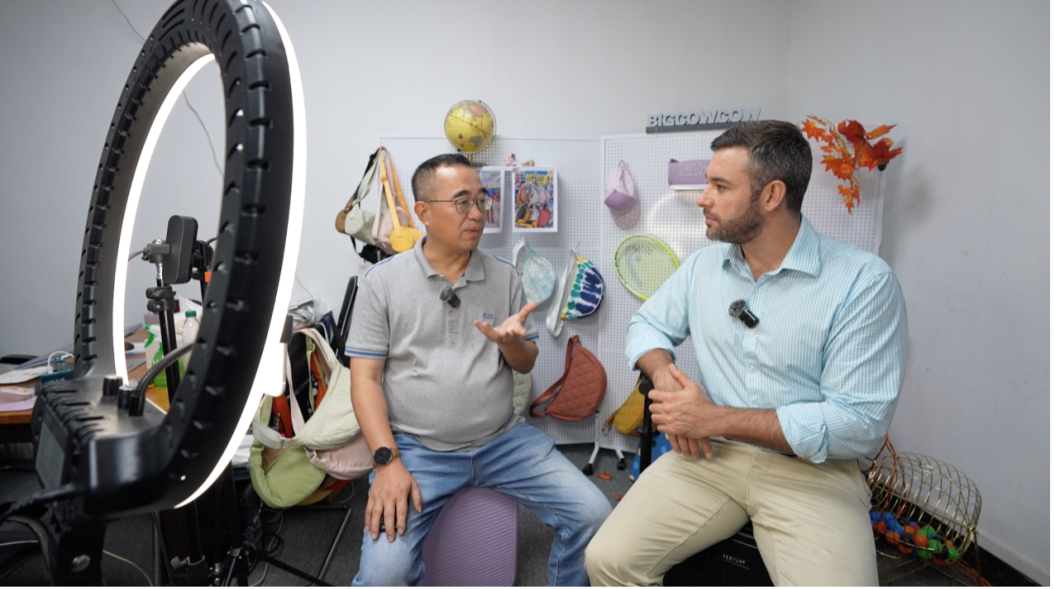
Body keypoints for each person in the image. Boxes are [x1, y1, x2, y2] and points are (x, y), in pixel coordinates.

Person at [585, 120, 908, 587]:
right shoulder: (702, 267)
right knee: (607, 561)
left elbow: (859, 425)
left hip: (814, 473)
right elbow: (646, 326)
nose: (703, 198)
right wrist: (665, 377)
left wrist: (713, 418)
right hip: (710, 456)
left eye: (720, 186)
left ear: (772, 195)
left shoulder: (863, 283)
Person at [346, 153, 611, 587]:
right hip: (418, 450)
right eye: (462, 202)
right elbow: (365, 379)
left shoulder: (505, 278)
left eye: (482, 201)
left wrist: (511, 345)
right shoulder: (382, 283)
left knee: (594, 514)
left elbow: (526, 362)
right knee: (382, 578)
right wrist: (387, 463)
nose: (477, 213)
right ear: (424, 212)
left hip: (503, 441)